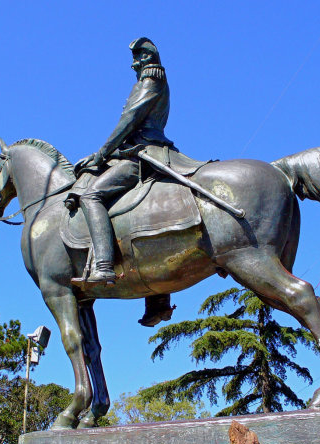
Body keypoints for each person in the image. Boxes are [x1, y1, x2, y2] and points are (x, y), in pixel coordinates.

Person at [73, 37, 190, 326]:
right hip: (139, 150)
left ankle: (103, 267)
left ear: (148, 59)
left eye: (137, 58)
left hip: (142, 155)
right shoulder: (153, 82)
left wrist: (101, 155)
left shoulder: (149, 81)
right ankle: (158, 298)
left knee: (91, 195)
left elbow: (129, 120)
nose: (133, 64)